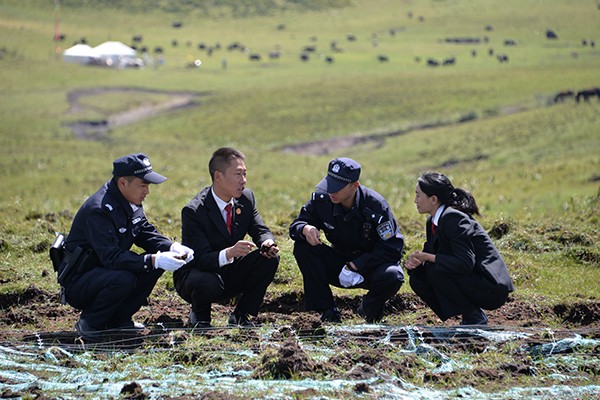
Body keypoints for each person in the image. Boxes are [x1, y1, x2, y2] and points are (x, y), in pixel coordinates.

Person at [61, 153, 194, 340]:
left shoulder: (129, 201)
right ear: (123, 182)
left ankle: (120, 320)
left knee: (153, 265)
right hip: (82, 281)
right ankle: (91, 322)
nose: (147, 191)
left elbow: (144, 231)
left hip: (105, 273)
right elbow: (111, 257)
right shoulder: (99, 210)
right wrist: (153, 260)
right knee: (127, 276)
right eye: (143, 185)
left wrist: (172, 247)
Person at [289, 157, 404, 323]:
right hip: (339, 262)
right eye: (330, 184)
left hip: (370, 265)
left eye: (338, 187)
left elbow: (392, 248)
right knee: (302, 247)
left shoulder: (375, 205)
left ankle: (369, 309)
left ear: (354, 186)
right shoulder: (322, 200)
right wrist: (305, 229)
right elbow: (296, 225)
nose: (331, 191)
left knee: (393, 276)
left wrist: (357, 264)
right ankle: (326, 310)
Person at [173, 147, 279, 328]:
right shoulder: (194, 211)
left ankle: (241, 314)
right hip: (198, 276)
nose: (243, 180)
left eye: (245, 174)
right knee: (206, 281)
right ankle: (200, 317)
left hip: (230, 273)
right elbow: (199, 258)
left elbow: (260, 229)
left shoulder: (246, 198)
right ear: (218, 176)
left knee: (269, 259)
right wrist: (229, 253)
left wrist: (266, 242)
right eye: (238, 174)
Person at [405, 171, 514, 325]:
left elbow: (465, 262)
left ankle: (474, 315)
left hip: (490, 287)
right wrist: (415, 263)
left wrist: (428, 258)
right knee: (418, 277)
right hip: (470, 279)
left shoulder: (453, 218)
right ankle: (469, 313)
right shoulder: (433, 221)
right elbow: (431, 253)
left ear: (434, 199)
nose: (415, 200)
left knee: (435, 270)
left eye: (418, 195)